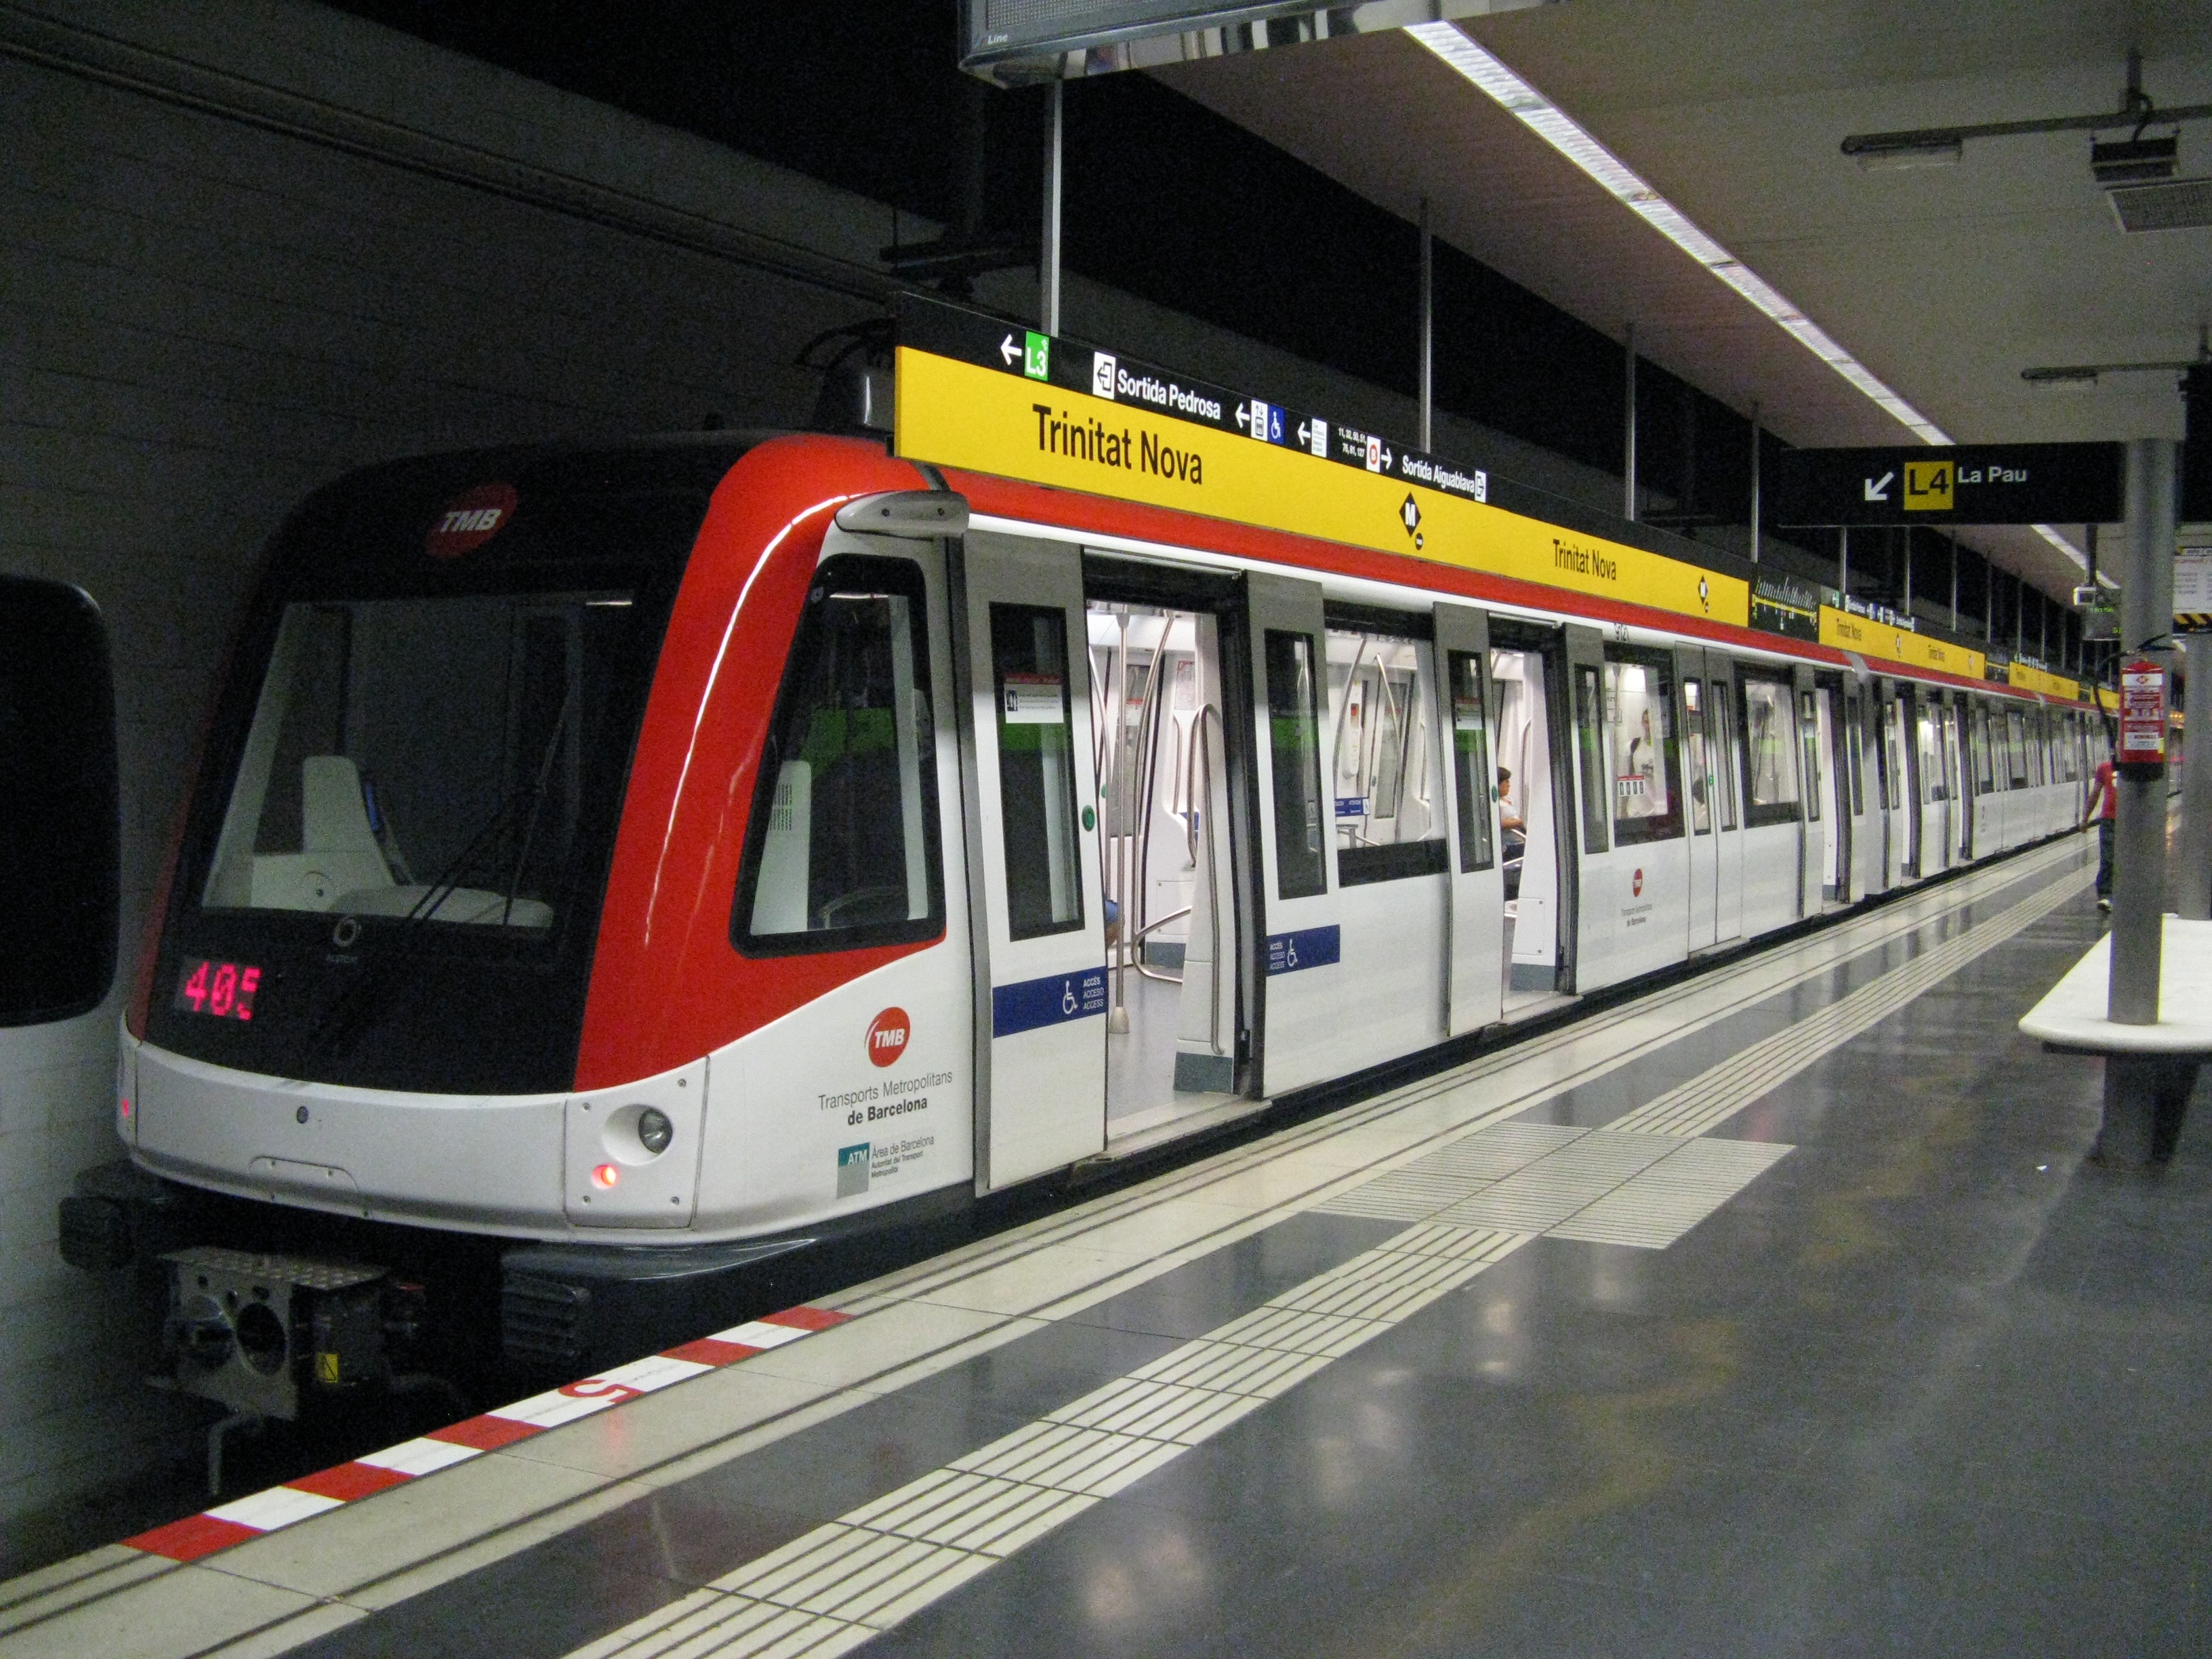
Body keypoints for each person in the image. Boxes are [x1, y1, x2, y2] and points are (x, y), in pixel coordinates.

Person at [2083, 752, 2116, 912]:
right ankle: (2105, 895)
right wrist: (2085, 818)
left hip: (2131, 823)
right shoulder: (2104, 768)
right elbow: (2095, 793)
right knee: (2108, 858)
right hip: (2109, 821)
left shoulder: (2135, 769)